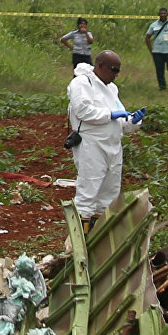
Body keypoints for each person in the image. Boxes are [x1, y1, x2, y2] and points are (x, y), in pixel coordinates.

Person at [66, 50, 146, 234]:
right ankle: (80, 241)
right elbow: (83, 111)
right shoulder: (81, 83)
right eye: (114, 70)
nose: (116, 75)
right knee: (88, 192)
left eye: (119, 71)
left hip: (113, 146)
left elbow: (120, 120)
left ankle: (99, 239)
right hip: (92, 145)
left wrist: (133, 121)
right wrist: (110, 114)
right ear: (100, 66)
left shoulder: (111, 89)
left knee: (109, 196)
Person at [144, 7, 168, 91]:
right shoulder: (154, 25)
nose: (163, 15)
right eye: (161, 14)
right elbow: (147, 37)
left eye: (164, 13)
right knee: (159, 70)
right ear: (159, 14)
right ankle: (162, 87)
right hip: (157, 51)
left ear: (167, 14)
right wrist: (151, 50)